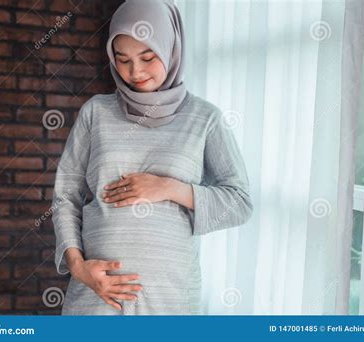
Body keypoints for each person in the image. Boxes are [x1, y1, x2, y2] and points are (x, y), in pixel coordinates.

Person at [52, 0, 253, 315]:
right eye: (123, 60)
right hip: (95, 298)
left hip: (170, 300)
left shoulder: (205, 118)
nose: (135, 72)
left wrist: (169, 188)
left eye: (147, 57)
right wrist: (78, 267)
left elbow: (239, 203)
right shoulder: (96, 112)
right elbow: (66, 195)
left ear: (171, 48)